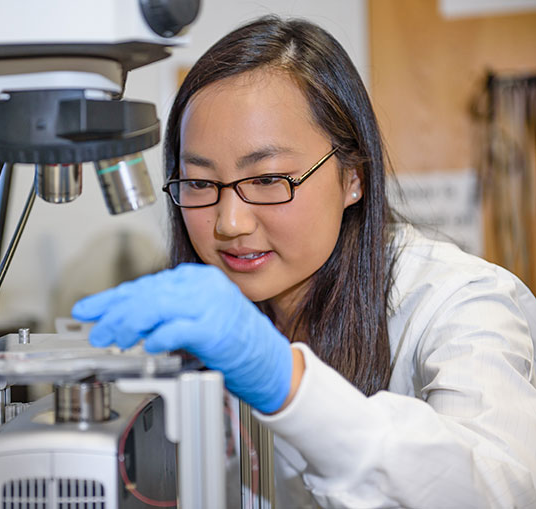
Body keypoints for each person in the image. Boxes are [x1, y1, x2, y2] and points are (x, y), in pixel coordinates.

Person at [72, 16, 536, 508]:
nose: (229, 223)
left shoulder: (459, 302)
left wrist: (286, 385)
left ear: (353, 178)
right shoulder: (199, 312)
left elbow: (500, 491)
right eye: (201, 183)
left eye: (270, 179)